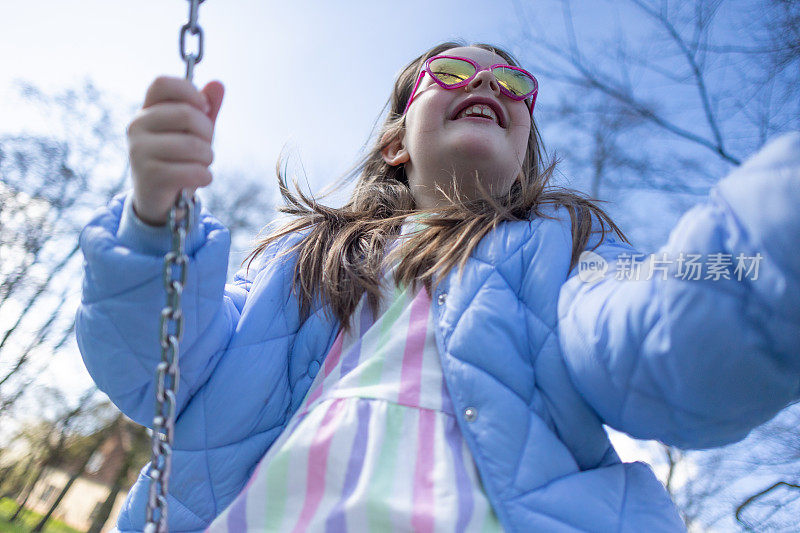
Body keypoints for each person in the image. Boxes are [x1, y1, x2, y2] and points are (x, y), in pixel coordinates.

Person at [76, 40, 800, 532]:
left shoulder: (565, 253)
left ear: (521, 158)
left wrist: (773, 243)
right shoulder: (301, 263)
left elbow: (652, 339)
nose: (486, 83)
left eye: (512, 85)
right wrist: (151, 226)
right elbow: (161, 369)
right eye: (451, 74)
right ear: (395, 143)